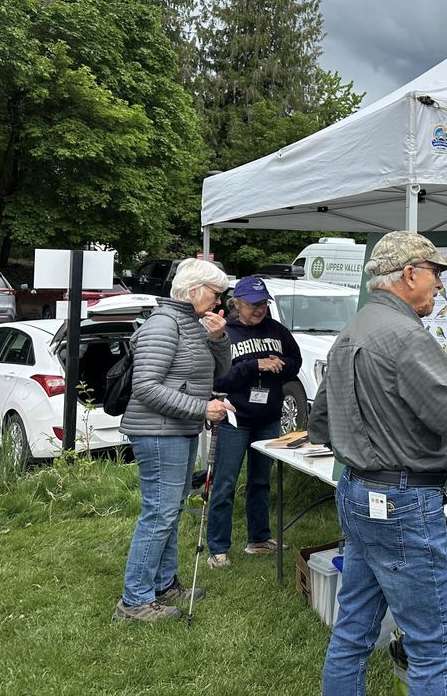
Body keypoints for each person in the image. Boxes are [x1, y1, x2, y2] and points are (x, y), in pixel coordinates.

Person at [311, 231, 447, 695]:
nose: (441, 286)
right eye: (436, 274)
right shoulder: (405, 335)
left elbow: (321, 421)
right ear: (409, 274)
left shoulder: (353, 329)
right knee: (435, 645)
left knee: (353, 630)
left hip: (356, 491)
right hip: (402, 500)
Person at [114, 258, 234, 622]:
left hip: (177, 429)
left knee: (171, 510)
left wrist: (218, 339)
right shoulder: (164, 325)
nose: (218, 303)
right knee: (159, 513)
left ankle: (163, 585)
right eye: (215, 294)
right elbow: (146, 388)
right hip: (157, 431)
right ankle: (134, 601)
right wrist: (202, 407)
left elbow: (220, 372)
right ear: (194, 290)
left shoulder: (192, 325)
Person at [205, 275, 303, 569]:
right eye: (252, 304)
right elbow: (218, 378)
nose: (259, 310)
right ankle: (218, 548)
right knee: (225, 482)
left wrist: (281, 365)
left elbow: (296, 364)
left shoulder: (278, 331)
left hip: (268, 417)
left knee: (261, 482)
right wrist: (254, 365)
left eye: (263, 304)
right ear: (237, 303)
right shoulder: (226, 333)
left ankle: (258, 539)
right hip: (235, 417)